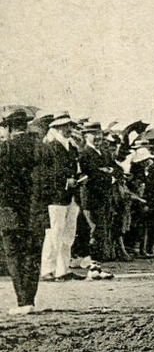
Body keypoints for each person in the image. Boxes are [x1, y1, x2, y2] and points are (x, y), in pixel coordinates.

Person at [0, 106, 46, 315]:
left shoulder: (5, 149)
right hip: (37, 210)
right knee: (33, 256)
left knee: (15, 256)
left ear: (9, 127)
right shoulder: (43, 148)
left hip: (11, 211)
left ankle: (22, 301)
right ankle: (31, 300)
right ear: (25, 125)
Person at [37, 116, 85, 282]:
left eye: (69, 125)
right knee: (54, 233)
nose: (68, 129)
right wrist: (65, 180)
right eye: (64, 126)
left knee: (68, 234)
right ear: (56, 128)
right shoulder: (49, 147)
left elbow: (75, 168)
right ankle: (47, 269)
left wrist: (79, 177)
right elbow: (44, 173)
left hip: (71, 195)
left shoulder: (71, 147)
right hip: (56, 196)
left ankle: (62, 269)